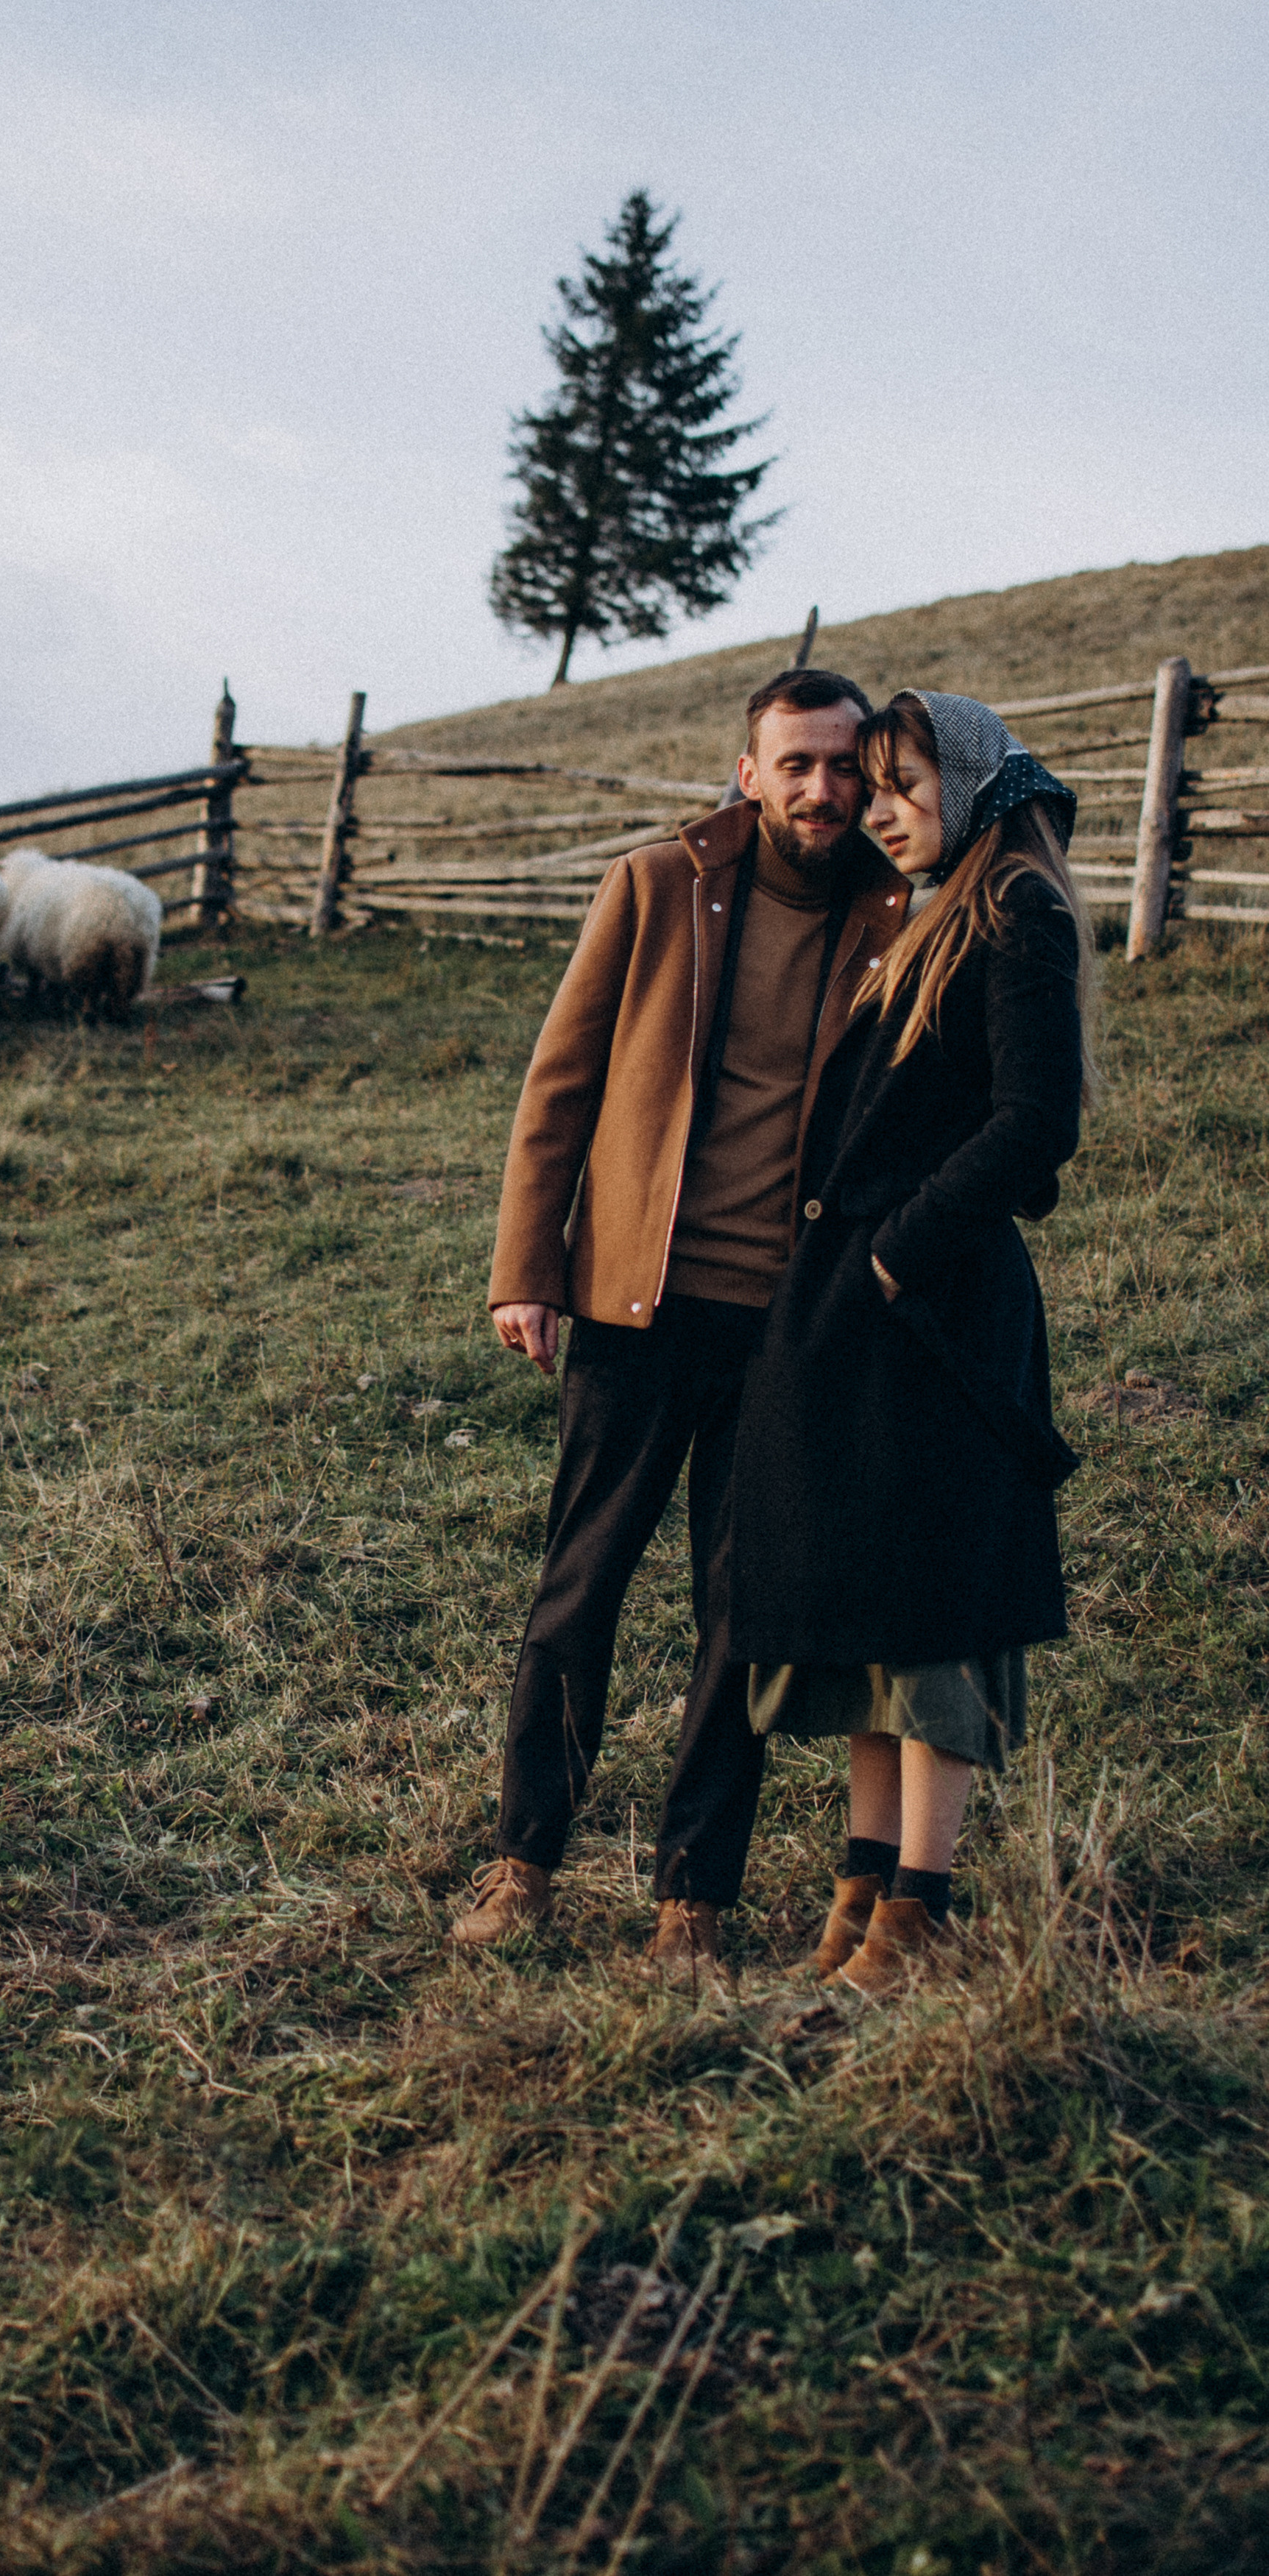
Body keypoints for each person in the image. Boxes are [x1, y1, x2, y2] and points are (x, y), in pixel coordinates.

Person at [460, 666, 910, 1975]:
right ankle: (524, 1857)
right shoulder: (658, 887)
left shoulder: (893, 918)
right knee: (579, 1585)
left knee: (742, 1611)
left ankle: (692, 1897)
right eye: (797, 765)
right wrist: (522, 1270)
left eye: (843, 767)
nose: (821, 790)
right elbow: (561, 1083)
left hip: (787, 1326)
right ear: (747, 770)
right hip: (633, 1302)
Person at [710, 689, 1095, 1995]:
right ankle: (861, 1884)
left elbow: (1033, 1122)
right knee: (865, 1598)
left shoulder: (1013, 913)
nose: (874, 812)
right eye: (867, 788)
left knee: (932, 1611)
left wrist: (895, 1250)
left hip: (933, 1309)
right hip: (864, 1306)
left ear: (972, 786)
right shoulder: (926, 919)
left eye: (901, 787)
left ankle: (919, 1911)